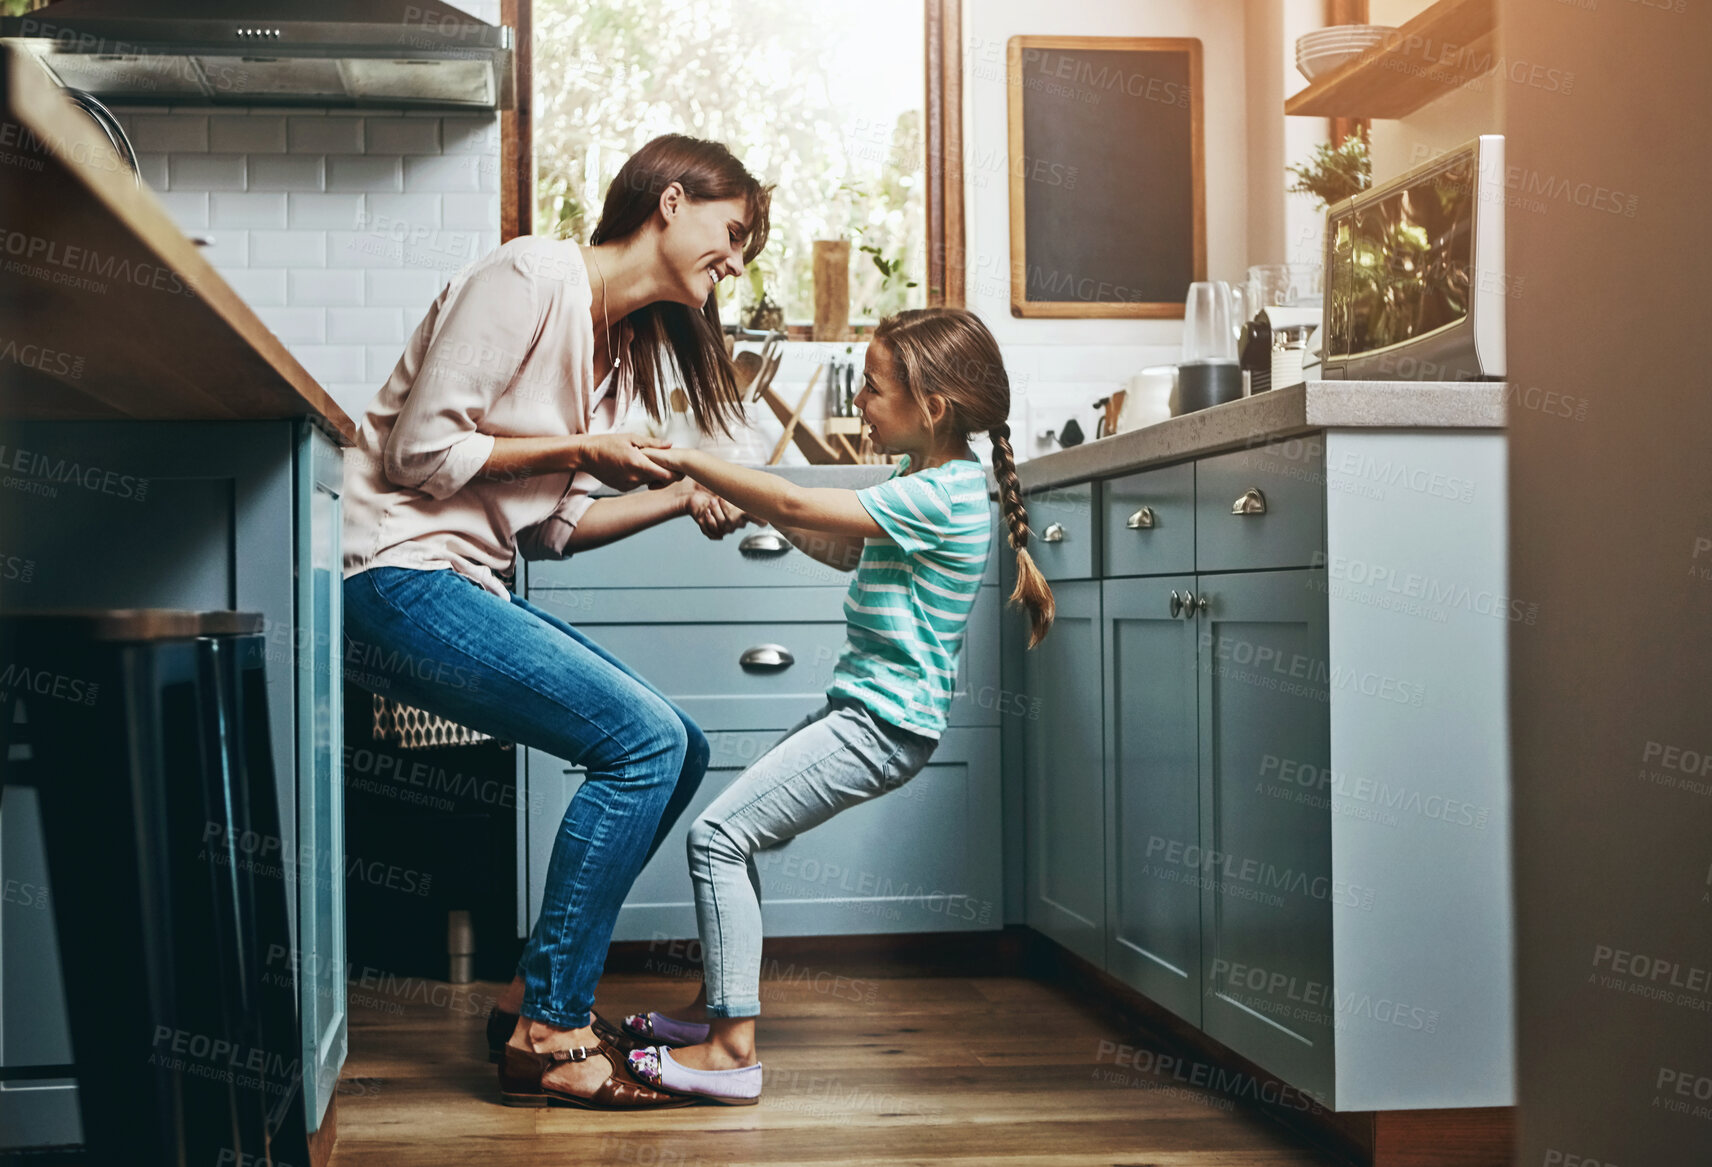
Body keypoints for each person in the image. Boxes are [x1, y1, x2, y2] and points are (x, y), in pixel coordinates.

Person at [338, 134, 773, 1109]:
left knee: (680, 745)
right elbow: (420, 451)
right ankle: (548, 1026)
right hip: (388, 571)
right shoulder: (531, 273)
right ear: (670, 200)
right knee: (642, 741)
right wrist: (584, 443)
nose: (738, 261)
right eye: (733, 231)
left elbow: (553, 530)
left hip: (463, 580)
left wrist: (676, 492)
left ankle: (523, 998)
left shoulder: (612, 350)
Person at [616, 307, 1055, 1105]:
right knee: (734, 840)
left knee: (718, 835)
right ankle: (719, 1010)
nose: (859, 402)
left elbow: (797, 504)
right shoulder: (918, 480)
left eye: (872, 388)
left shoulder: (950, 493)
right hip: (864, 710)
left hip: (881, 724)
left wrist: (694, 463)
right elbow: (841, 541)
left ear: (933, 407)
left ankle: (732, 1053)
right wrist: (754, 508)